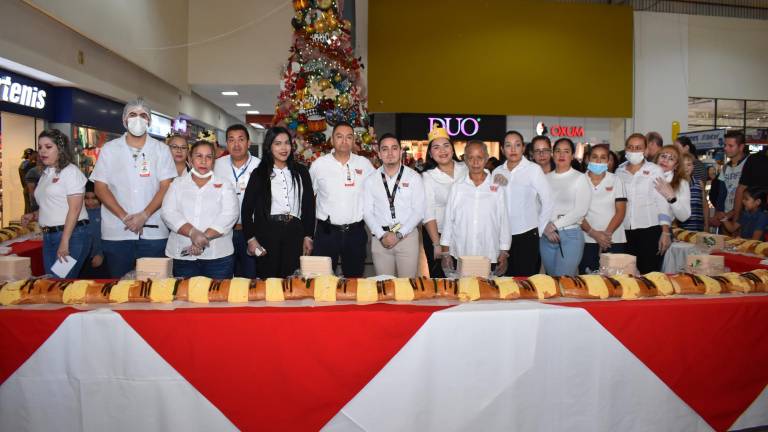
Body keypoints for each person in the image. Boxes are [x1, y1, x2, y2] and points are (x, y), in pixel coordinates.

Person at [90, 98, 177, 278]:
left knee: (153, 287)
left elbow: (166, 187)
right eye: (132, 115)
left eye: (143, 115)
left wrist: (144, 215)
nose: (138, 119)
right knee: (119, 287)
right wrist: (125, 217)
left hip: (153, 233)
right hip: (117, 233)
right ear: (124, 120)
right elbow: (100, 187)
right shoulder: (109, 149)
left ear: (150, 121)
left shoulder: (161, 150)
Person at [241, 127, 315, 278]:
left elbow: (309, 206)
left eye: (287, 143)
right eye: (278, 143)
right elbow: (246, 209)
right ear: (269, 147)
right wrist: (251, 239)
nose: (283, 148)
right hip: (267, 232)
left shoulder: (301, 172)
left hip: (294, 232)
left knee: (292, 281)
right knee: (269, 282)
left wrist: (308, 235)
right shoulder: (259, 173)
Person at [161, 140, 239, 278]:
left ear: (213, 161)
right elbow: (168, 213)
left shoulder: (225, 184)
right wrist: (192, 233)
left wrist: (202, 238)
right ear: (190, 159)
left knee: (218, 297)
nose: (204, 161)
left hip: (218, 258)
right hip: (182, 256)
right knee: (183, 298)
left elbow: (230, 214)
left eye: (209, 157)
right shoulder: (177, 184)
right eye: (199, 156)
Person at [21, 130, 91, 278]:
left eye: (48, 146)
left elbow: (75, 209)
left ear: (60, 148)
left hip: (72, 236)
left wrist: (65, 241)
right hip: (49, 237)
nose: (42, 151)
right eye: (40, 147)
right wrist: (33, 215)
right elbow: (52, 205)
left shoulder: (71, 172)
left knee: (59, 284)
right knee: (52, 283)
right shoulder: (46, 173)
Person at [310, 122, 375, 277]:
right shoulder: (319, 165)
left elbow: (377, 193)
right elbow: (307, 198)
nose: (344, 141)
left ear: (353, 141)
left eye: (349, 137)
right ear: (332, 140)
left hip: (355, 232)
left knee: (354, 281)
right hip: (326, 232)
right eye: (339, 136)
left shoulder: (364, 164)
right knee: (322, 280)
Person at [441, 140, 510, 273]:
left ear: (486, 158)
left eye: (479, 157)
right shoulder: (457, 187)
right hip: (462, 252)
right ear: (465, 160)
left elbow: (504, 221)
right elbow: (448, 221)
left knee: (487, 291)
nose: (475, 162)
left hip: (488, 252)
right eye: (470, 158)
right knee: (463, 291)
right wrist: (445, 252)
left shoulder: (497, 187)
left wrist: (504, 251)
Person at [363, 134, 425, 278]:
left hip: (407, 237)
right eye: (385, 149)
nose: (390, 153)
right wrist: (381, 234)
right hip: (381, 238)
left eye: (394, 148)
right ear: (379, 153)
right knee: (384, 286)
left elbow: (419, 211)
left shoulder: (414, 177)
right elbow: (367, 211)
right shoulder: (371, 180)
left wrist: (398, 235)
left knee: (408, 286)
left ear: (401, 151)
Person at [491, 131, 553, 276]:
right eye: (508, 145)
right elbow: (493, 202)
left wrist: (541, 227)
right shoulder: (497, 172)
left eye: (517, 145)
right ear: (502, 149)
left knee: (525, 281)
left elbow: (548, 200)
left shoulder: (533, 170)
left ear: (523, 148)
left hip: (527, 234)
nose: (513, 150)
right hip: (502, 236)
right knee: (503, 279)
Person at [616, 133, 672, 273]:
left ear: (646, 150)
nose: (634, 151)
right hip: (625, 231)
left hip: (650, 230)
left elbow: (662, 202)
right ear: (625, 149)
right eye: (631, 147)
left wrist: (665, 232)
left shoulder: (655, 170)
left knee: (650, 274)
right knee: (627, 274)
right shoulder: (619, 172)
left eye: (638, 148)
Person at [212, 124, 261, 278]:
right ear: (227, 143)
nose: (236, 144)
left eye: (241, 139)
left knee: (250, 277)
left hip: (251, 233)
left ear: (248, 142)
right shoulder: (217, 165)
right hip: (224, 232)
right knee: (224, 277)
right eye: (231, 140)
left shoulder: (260, 166)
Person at [540, 138, 591, 276]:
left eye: (566, 151)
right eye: (557, 151)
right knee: (552, 282)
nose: (561, 155)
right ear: (552, 154)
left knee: (564, 280)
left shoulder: (580, 178)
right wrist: (544, 227)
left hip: (570, 235)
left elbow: (580, 210)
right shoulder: (545, 178)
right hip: (546, 236)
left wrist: (554, 225)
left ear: (572, 155)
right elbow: (537, 206)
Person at [421, 127, 467, 278]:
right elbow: (428, 212)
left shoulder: (466, 169)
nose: (442, 151)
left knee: (466, 279)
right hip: (438, 234)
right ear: (430, 153)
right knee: (441, 282)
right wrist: (436, 244)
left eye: (446, 145)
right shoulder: (427, 177)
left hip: (464, 233)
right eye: (436, 147)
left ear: (453, 150)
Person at [578, 144, 627, 274]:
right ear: (588, 159)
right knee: (589, 282)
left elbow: (621, 211)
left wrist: (605, 236)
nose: (598, 161)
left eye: (603, 157)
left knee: (615, 282)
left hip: (613, 239)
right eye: (594, 157)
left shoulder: (616, 180)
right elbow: (576, 213)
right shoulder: (578, 181)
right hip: (587, 239)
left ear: (608, 161)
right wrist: (594, 234)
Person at [713, 131, 749, 234]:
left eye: (730, 146)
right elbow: (722, 193)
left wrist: (732, 213)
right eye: (725, 145)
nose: (726, 148)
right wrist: (719, 213)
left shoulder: (749, 164)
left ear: (741, 147)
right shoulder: (725, 168)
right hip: (726, 217)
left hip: (744, 216)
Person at [653, 145, 691, 224]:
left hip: (663, 229)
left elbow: (684, 216)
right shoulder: (645, 176)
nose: (665, 161)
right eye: (663, 156)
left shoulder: (682, 183)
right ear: (657, 159)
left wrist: (671, 198)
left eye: (671, 159)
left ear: (676, 166)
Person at [79, 181, 109, 279]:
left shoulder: (106, 213)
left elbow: (108, 236)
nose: (90, 202)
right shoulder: (78, 213)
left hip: (101, 258)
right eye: (86, 198)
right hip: (82, 258)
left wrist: (101, 254)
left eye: (94, 198)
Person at [680, 153, 708, 232]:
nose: (685, 168)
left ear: (693, 167)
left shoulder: (699, 184)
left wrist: (706, 225)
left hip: (699, 228)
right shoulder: (676, 184)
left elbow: (705, 206)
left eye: (688, 165)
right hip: (682, 229)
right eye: (683, 165)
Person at [19, 148, 35, 214]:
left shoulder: (22, 165)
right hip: (32, 189)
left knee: (28, 209)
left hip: (26, 189)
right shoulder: (33, 165)